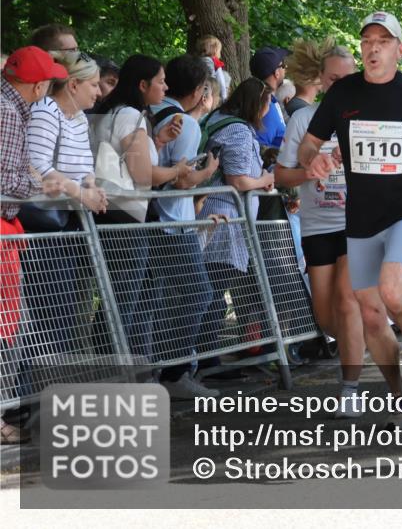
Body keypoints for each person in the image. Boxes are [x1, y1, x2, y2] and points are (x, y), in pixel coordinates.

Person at [300, 11, 402, 424]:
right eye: (367, 41)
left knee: (393, 295)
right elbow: (308, 144)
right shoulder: (342, 95)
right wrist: (313, 162)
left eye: (383, 41)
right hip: (359, 219)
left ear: (399, 49)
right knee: (371, 315)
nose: (373, 47)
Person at [277, 38, 367, 417]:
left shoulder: (369, 118)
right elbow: (281, 176)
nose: (341, 85)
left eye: (348, 78)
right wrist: (309, 170)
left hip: (360, 222)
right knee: (327, 316)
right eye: (334, 79)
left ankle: (351, 389)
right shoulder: (303, 119)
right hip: (317, 225)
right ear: (320, 78)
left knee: (347, 302)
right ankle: (376, 337)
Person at [91, 55, 189, 360]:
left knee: (116, 298)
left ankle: (117, 364)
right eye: (160, 81)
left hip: (110, 213)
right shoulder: (131, 116)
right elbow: (143, 174)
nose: (166, 86)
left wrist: (156, 143)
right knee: (124, 301)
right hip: (128, 218)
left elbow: (120, 162)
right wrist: (178, 171)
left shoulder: (108, 111)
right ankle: (116, 367)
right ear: (143, 85)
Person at [144, 55, 222, 399]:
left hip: (150, 220)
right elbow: (183, 180)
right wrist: (208, 171)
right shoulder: (186, 124)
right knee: (198, 295)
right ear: (198, 91)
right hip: (174, 223)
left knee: (154, 300)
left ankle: (156, 370)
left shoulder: (152, 114)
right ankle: (175, 372)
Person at [1, 47, 67, 445]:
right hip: (2, 228)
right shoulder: (8, 114)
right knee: (9, 330)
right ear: (38, 84)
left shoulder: (9, 107)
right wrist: (43, 187)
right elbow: (6, 181)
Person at [22, 51, 108, 360]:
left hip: (68, 225)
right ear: (73, 85)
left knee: (62, 314)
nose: (99, 92)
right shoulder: (46, 111)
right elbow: (36, 166)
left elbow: (85, 166)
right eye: (94, 85)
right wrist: (80, 193)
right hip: (42, 227)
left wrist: (92, 188)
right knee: (48, 318)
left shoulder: (80, 118)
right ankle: (31, 399)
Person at [197, 78, 276, 357]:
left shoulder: (216, 119)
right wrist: (265, 177)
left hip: (212, 214)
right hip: (224, 219)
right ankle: (206, 360)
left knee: (208, 292)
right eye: (268, 104)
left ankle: (203, 359)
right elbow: (238, 181)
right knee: (212, 294)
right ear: (258, 104)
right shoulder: (239, 131)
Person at [249, 47, 289, 151]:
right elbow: (258, 150)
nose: (286, 68)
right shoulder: (265, 107)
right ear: (276, 73)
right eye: (283, 65)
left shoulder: (269, 100)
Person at [196, 35, 232, 101]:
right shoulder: (208, 61)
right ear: (215, 50)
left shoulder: (205, 60)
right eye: (219, 50)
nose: (219, 52)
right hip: (212, 94)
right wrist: (223, 96)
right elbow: (214, 80)